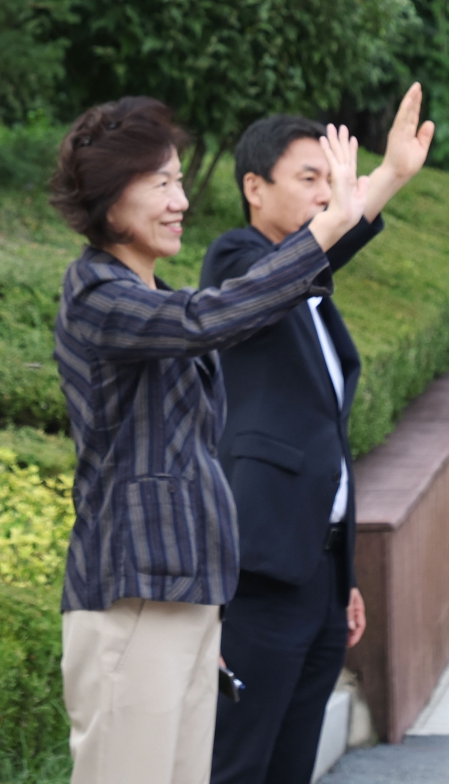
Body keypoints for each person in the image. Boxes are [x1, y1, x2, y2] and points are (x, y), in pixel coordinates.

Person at [49, 95, 372, 784]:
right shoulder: (99, 295)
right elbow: (212, 315)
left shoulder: (150, 294)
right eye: (161, 182)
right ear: (110, 198)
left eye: (179, 181)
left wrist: (210, 613)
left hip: (188, 597)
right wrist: (331, 226)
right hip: (133, 597)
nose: (180, 201)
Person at [205, 85, 435, 784]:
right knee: (239, 763)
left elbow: (323, 445)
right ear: (254, 185)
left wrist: (344, 573)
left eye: (329, 180)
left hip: (317, 574)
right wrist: (370, 190)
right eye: (310, 178)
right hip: (260, 573)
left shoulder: (309, 283)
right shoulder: (237, 262)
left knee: (291, 767)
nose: (324, 193)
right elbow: (284, 270)